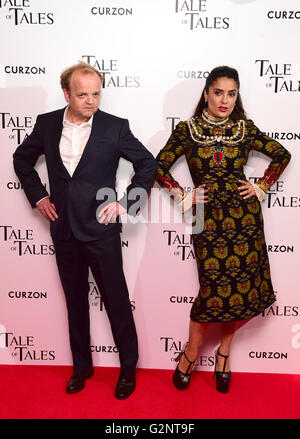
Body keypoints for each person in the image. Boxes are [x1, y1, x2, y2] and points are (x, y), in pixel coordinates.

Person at [13, 61, 157, 399]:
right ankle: (82, 367)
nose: (91, 101)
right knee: (75, 302)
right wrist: (38, 196)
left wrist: (126, 202)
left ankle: (127, 369)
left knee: (116, 301)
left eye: (95, 94)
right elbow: (22, 159)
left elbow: (147, 163)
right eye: (82, 94)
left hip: (101, 229)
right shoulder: (47, 124)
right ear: (67, 93)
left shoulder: (115, 127)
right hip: (63, 230)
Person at [155, 66, 291, 393]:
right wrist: (183, 195)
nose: (225, 100)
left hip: (245, 222)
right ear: (206, 93)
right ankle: (190, 353)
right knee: (212, 291)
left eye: (231, 93)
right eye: (218, 92)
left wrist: (261, 187)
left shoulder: (244, 129)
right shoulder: (188, 130)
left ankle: (224, 355)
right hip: (207, 220)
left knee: (238, 293)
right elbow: (158, 166)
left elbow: (282, 154)